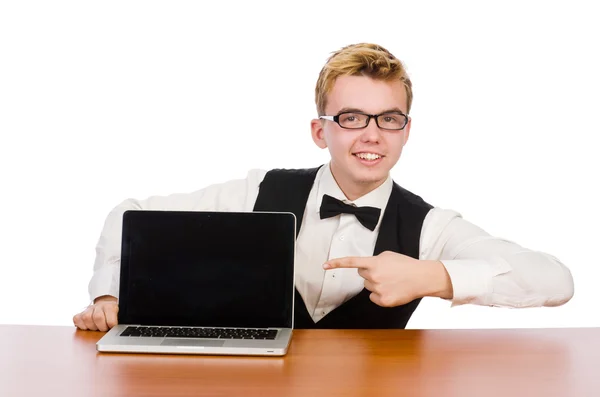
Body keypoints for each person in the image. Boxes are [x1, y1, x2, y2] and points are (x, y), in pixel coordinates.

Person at [73, 43, 574, 332]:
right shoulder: (257, 192)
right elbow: (132, 212)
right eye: (352, 117)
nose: (372, 134)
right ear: (321, 131)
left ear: (406, 131)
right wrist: (111, 295)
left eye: (389, 118)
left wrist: (434, 278)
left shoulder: (430, 227)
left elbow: (556, 282)